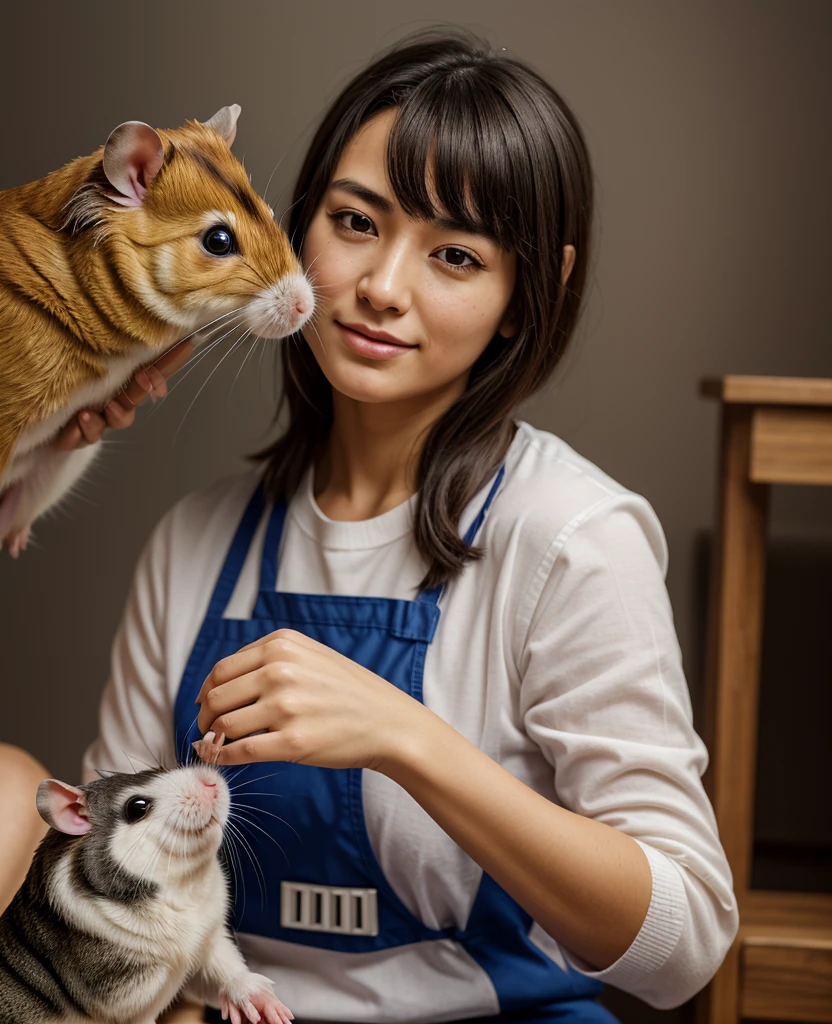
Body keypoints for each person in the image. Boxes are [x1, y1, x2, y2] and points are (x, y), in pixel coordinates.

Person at [43, 27, 736, 1023]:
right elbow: (114, 884)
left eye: (454, 254)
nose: (381, 287)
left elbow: (684, 949)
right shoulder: (197, 540)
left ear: (526, 294)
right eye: (355, 221)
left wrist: (406, 737)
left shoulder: (572, 536)